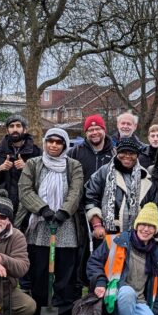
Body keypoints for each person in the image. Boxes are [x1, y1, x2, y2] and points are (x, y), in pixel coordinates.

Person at [17, 127, 84, 315]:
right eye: (50, 141)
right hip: (39, 224)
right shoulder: (33, 164)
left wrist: (64, 212)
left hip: (64, 226)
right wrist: (43, 210)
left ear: (64, 145)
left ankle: (63, 314)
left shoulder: (73, 166)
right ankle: (39, 310)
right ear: (45, 143)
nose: (54, 145)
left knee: (64, 273)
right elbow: (25, 189)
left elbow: (76, 190)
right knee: (39, 272)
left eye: (59, 142)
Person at [88, 203, 158, 315]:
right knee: (127, 292)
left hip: (139, 301)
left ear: (155, 230)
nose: (146, 229)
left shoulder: (157, 254)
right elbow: (93, 263)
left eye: (151, 226)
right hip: (113, 294)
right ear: (136, 225)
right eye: (143, 224)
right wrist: (101, 282)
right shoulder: (115, 241)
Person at [67, 114, 115, 293]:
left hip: (107, 211)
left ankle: (102, 287)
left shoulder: (114, 153)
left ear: (104, 130)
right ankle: (77, 289)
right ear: (86, 133)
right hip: (79, 211)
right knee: (80, 252)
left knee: (104, 251)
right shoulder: (75, 153)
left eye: (98, 129)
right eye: (90, 130)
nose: (94, 132)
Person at [85, 136, 153, 242]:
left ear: (137, 155)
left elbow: (151, 207)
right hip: (107, 235)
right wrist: (97, 225)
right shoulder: (103, 172)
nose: (127, 156)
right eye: (123, 152)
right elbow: (90, 198)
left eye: (131, 153)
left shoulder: (145, 177)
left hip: (137, 236)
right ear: (117, 152)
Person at [0, 116, 40, 214]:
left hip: (27, 203)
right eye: (11, 126)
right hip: (3, 201)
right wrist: (0, 169)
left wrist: (27, 168)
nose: (15, 129)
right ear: (7, 130)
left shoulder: (35, 151)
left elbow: (42, 178)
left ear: (25, 129)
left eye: (18, 126)